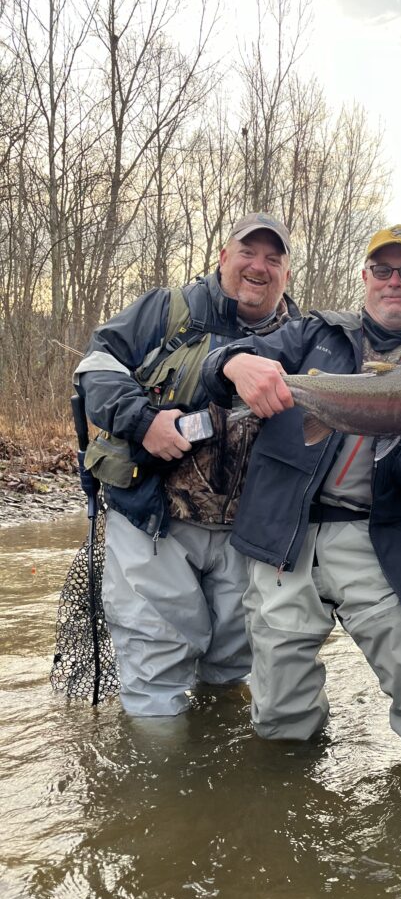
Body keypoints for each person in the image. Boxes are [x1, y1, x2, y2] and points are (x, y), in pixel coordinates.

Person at [201, 224, 401, 767]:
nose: (394, 281)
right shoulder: (312, 333)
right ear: (366, 277)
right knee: (279, 718)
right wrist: (233, 364)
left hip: (379, 540)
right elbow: (229, 360)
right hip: (288, 533)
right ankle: (288, 808)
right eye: (383, 270)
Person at [74, 212, 300, 716]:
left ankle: (218, 782)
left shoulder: (303, 337)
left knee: (230, 671)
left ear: (287, 273)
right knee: (155, 677)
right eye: (247, 252)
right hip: (154, 523)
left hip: (246, 537)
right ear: (223, 257)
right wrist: (142, 421)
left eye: (273, 257)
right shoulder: (165, 310)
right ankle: (161, 783)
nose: (258, 266)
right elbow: (97, 367)